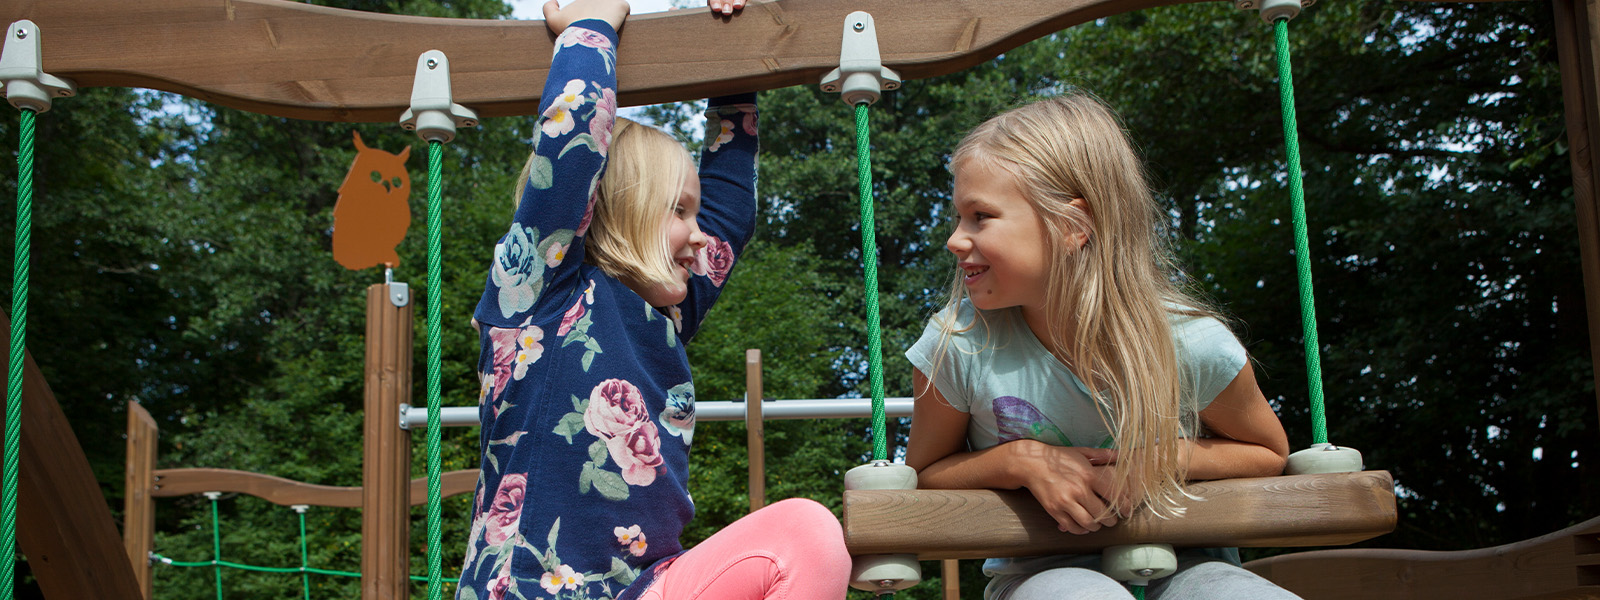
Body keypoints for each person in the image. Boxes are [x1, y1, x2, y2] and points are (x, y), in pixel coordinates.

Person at [458, 1, 850, 598]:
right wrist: (592, 29)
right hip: (532, 588)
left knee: (805, 534)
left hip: (645, 587)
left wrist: (735, 57)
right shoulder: (538, 296)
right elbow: (571, 154)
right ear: (618, 208)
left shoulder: (663, 316)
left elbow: (730, 208)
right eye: (679, 211)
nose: (700, 235)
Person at [903, 93, 1301, 600]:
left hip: (1187, 563)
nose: (955, 239)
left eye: (980, 216)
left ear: (1072, 226)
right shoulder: (958, 345)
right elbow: (923, 475)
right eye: (959, 218)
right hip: (1039, 573)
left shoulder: (1188, 343)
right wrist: (1019, 460)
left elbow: (1268, 452)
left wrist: (1161, 460)